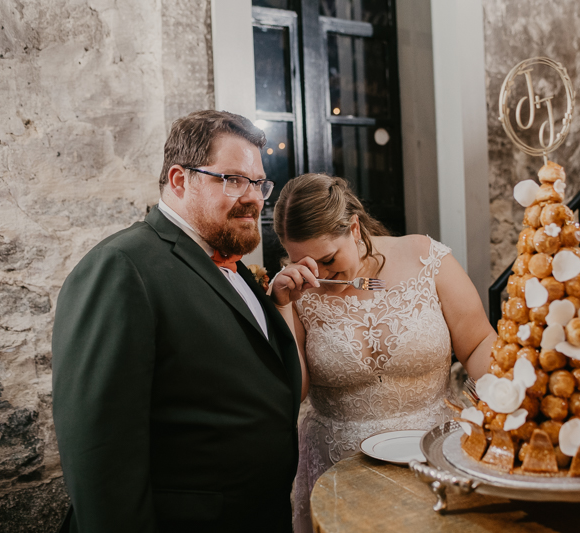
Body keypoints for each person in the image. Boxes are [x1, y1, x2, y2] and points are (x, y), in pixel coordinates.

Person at [52, 110, 301, 533]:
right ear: (180, 180)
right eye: (233, 179)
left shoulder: (234, 267)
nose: (255, 197)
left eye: (259, 183)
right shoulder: (121, 267)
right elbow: (100, 453)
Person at [269, 174, 497, 532]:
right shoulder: (297, 292)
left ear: (355, 229)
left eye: (329, 259)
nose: (321, 276)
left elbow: (480, 342)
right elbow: (294, 392)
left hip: (431, 458)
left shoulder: (426, 258)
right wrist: (283, 307)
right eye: (306, 264)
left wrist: (508, 402)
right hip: (335, 469)